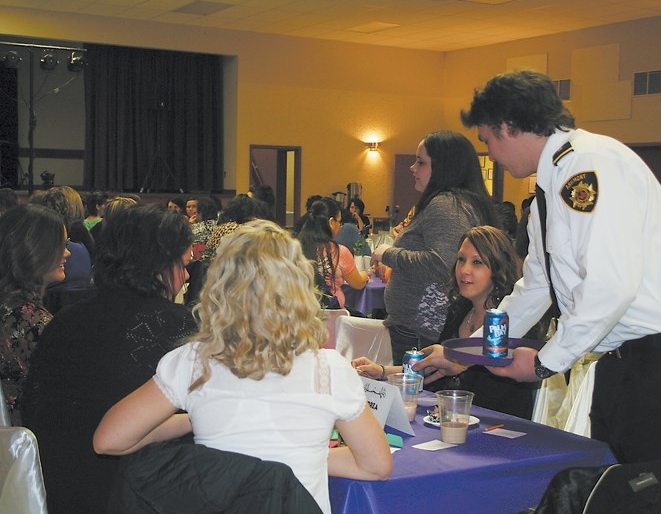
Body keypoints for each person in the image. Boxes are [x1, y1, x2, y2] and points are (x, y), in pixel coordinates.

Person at [457, 70, 661, 514]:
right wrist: (468, 349)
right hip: (625, 366)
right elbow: (537, 285)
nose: (488, 149)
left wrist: (547, 362)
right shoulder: (550, 187)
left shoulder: (588, 167)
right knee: (616, 499)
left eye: (487, 138)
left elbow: (611, 285)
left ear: (510, 126)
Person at [93, 220, 392, 514]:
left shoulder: (195, 361)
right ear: (299, 290)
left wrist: (191, 420)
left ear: (220, 289)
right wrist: (304, 457)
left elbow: (109, 440)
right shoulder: (328, 370)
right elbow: (376, 466)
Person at [22, 205, 196, 513]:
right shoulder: (180, 328)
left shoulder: (62, 322)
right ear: (157, 266)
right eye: (181, 266)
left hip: (51, 486)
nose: (186, 275)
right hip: (131, 491)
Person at [354, 226, 537, 418]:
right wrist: (381, 372)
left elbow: (494, 390)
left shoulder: (512, 323)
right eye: (461, 260)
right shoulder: (459, 311)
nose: (464, 271)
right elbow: (436, 366)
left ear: (499, 269)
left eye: (477, 262)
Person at [371, 130, 497, 365]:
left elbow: (442, 264)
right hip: (421, 326)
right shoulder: (456, 203)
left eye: (421, 162)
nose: (412, 168)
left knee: (416, 395)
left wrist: (388, 253)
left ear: (444, 168)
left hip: (421, 327)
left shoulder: (446, 205)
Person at [0, 205, 70, 425]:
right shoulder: (29, 320)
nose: (67, 253)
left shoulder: (13, 306)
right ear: (34, 250)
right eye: (61, 245)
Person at [298, 197, 368, 311]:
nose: (340, 226)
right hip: (332, 318)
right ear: (331, 222)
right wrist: (365, 275)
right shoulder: (338, 252)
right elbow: (358, 283)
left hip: (302, 314)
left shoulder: (296, 248)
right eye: (339, 222)